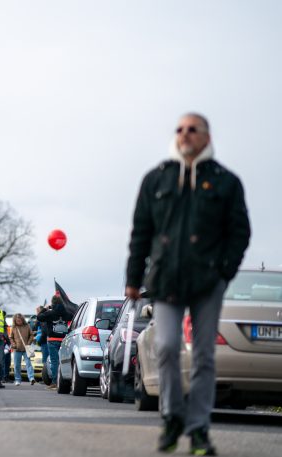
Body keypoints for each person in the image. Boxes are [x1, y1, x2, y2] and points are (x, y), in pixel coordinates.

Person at [125, 113, 250, 455]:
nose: (184, 134)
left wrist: (224, 272)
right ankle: (172, 418)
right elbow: (141, 232)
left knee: (204, 355)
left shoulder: (226, 182)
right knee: (165, 347)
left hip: (208, 282)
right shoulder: (157, 179)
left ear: (206, 138)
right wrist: (133, 279)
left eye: (192, 129)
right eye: (180, 129)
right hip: (165, 280)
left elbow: (239, 232)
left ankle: (198, 429)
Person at [37, 296, 71, 391]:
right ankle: (64, 381)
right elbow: (73, 316)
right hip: (64, 340)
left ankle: (55, 382)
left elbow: (39, 317)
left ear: (53, 303)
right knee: (64, 361)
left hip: (52, 340)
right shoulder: (66, 313)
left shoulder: (50, 313)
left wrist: (44, 309)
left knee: (54, 361)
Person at [9, 313, 35, 386]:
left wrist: (29, 343)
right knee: (17, 365)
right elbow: (11, 337)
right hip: (17, 349)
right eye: (17, 321)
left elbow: (31, 335)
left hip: (26, 349)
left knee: (28, 364)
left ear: (22, 320)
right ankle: (17, 380)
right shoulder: (13, 327)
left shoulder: (27, 326)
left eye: (20, 320)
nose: (19, 322)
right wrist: (14, 344)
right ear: (15, 320)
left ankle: (31, 378)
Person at [33, 305, 50, 385]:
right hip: (45, 341)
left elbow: (43, 332)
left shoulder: (42, 319)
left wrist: (40, 341)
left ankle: (46, 378)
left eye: (37, 312)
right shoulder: (46, 318)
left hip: (44, 342)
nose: (37, 314)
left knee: (45, 360)